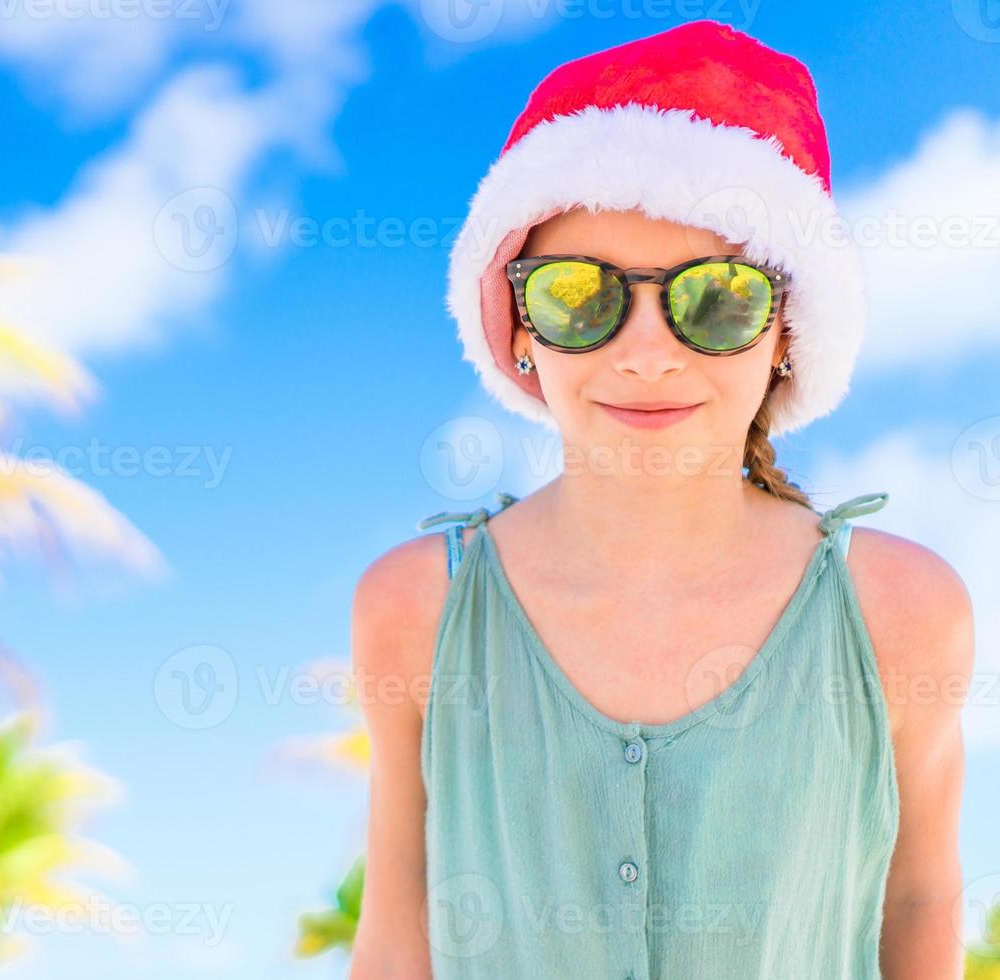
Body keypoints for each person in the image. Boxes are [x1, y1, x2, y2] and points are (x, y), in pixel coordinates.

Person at [349, 20, 974, 980]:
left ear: (787, 333)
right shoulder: (413, 610)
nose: (645, 353)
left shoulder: (902, 614)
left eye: (716, 299)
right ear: (519, 328)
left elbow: (922, 902)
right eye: (577, 296)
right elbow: (398, 935)